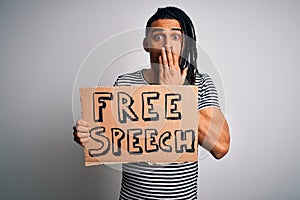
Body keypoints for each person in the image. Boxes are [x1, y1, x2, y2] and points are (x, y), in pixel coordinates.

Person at [73, 6, 230, 199]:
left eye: (175, 37)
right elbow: (114, 140)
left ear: (185, 44)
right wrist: (89, 136)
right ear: (146, 44)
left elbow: (221, 147)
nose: (167, 45)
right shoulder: (125, 83)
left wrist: (177, 94)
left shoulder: (201, 83)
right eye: (158, 37)